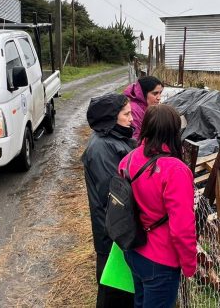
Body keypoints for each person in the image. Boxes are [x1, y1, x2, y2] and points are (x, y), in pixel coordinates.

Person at [119, 104, 197, 308]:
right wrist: (190, 265)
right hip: (161, 259)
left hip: (134, 249)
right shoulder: (176, 171)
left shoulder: (129, 159)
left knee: (140, 301)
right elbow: (182, 229)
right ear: (174, 132)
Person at [81, 94, 136, 307]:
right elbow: (114, 196)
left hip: (116, 229)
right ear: (110, 118)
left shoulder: (114, 139)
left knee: (117, 284)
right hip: (112, 231)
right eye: (126, 114)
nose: (132, 119)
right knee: (113, 289)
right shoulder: (102, 148)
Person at [123, 76, 164, 140]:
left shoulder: (146, 106)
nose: (159, 98)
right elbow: (136, 137)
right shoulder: (134, 109)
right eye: (155, 93)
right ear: (143, 93)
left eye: (160, 93)